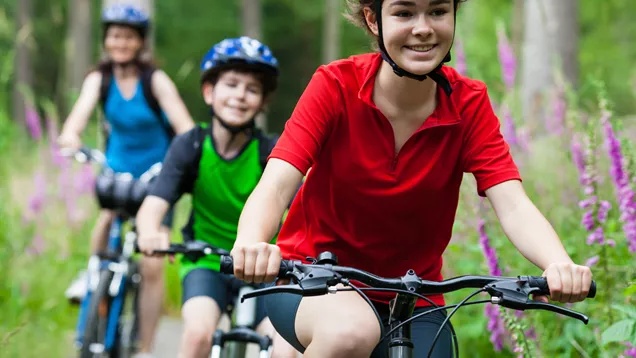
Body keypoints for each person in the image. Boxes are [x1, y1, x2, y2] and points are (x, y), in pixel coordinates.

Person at [227, 0, 594, 357]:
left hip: (414, 296)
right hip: (312, 278)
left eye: (438, 11)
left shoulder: (469, 104)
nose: (423, 28)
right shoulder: (335, 85)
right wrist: (251, 241)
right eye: (404, 12)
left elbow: (513, 204)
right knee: (351, 333)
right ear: (373, 19)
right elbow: (276, 184)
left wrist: (557, 263)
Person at [136, 36, 299, 358]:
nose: (240, 96)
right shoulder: (191, 146)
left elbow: (303, 213)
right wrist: (150, 232)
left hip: (266, 268)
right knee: (198, 335)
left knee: (285, 349)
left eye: (252, 89)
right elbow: (154, 204)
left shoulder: (272, 152)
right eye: (231, 85)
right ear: (209, 92)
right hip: (207, 262)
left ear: (263, 102)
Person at [57, 4, 194, 356]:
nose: (121, 42)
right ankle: (94, 275)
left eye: (129, 36)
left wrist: (180, 164)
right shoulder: (98, 79)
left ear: (140, 42)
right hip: (116, 172)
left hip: (156, 179)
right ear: (106, 39)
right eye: (115, 35)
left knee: (151, 260)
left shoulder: (156, 81)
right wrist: (72, 138)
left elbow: (186, 130)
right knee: (104, 223)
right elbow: (76, 121)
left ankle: (146, 347)